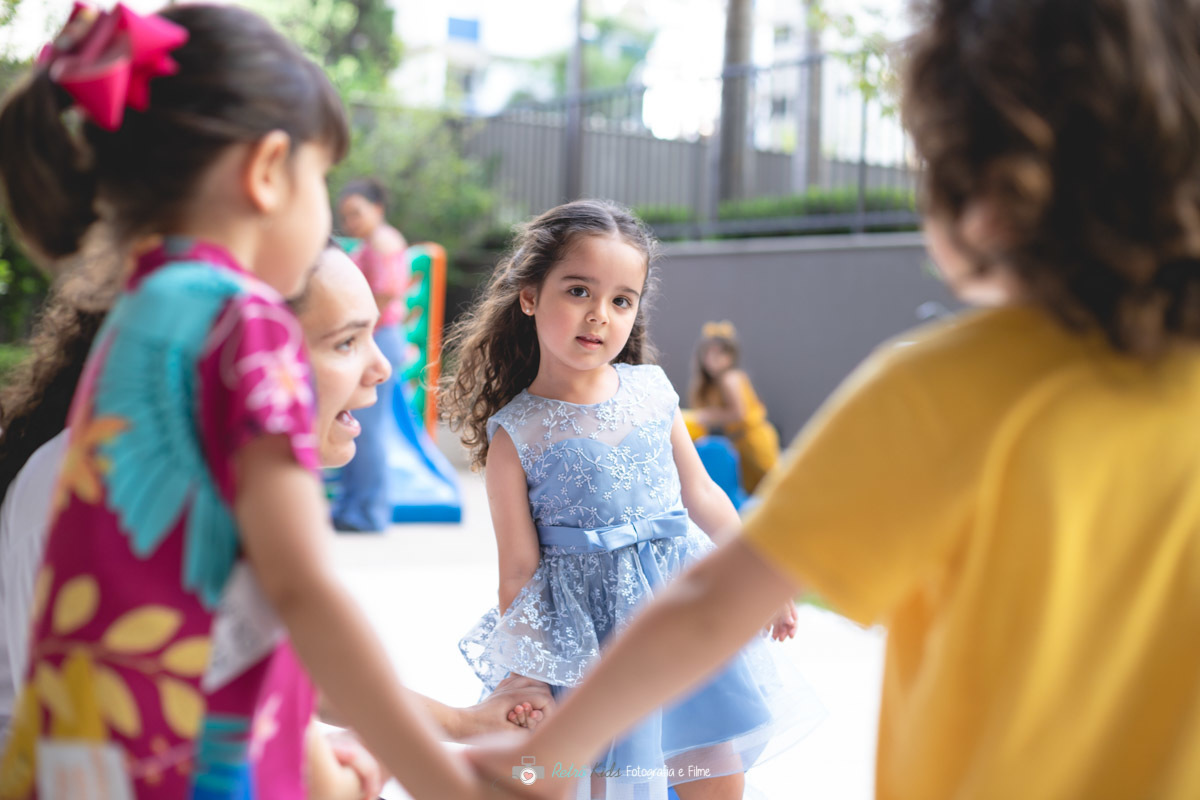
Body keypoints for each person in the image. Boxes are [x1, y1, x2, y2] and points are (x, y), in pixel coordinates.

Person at [463, 0, 1200, 798]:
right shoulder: (523, 430)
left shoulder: (938, 393)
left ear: (979, 186)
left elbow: (714, 598)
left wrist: (546, 756)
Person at [0, 5, 526, 798]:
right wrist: (450, 781)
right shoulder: (244, 320)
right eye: (321, 177)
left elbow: (225, 612)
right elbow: (301, 595)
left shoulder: (140, 320)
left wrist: (326, 762)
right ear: (269, 169)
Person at [441, 200, 824, 800]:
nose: (599, 315)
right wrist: (529, 668)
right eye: (578, 290)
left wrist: (761, 575)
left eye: (622, 300)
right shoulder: (517, 432)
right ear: (530, 296)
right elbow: (518, 569)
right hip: (596, 641)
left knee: (715, 773)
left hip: (684, 611)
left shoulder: (651, 390)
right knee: (617, 779)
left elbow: (701, 494)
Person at [331, 178, 410, 533]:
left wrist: (346, 329)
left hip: (378, 339)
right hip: (370, 338)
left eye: (356, 213)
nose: (350, 222)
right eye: (345, 216)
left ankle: (368, 511)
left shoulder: (383, 242)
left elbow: (386, 293)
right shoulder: (370, 242)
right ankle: (352, 507)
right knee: (354, 428)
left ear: (377, 209)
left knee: (368, 429)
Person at [683, 320, 780, 493]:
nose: (713, 359)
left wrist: (707, 415)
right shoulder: (711, 384)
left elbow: (739, 413)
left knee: (771, 485)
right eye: (709, 353)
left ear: (731, 356)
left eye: (720, 354)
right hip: (739, 443)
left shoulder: (730, 378)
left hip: (753, 441)